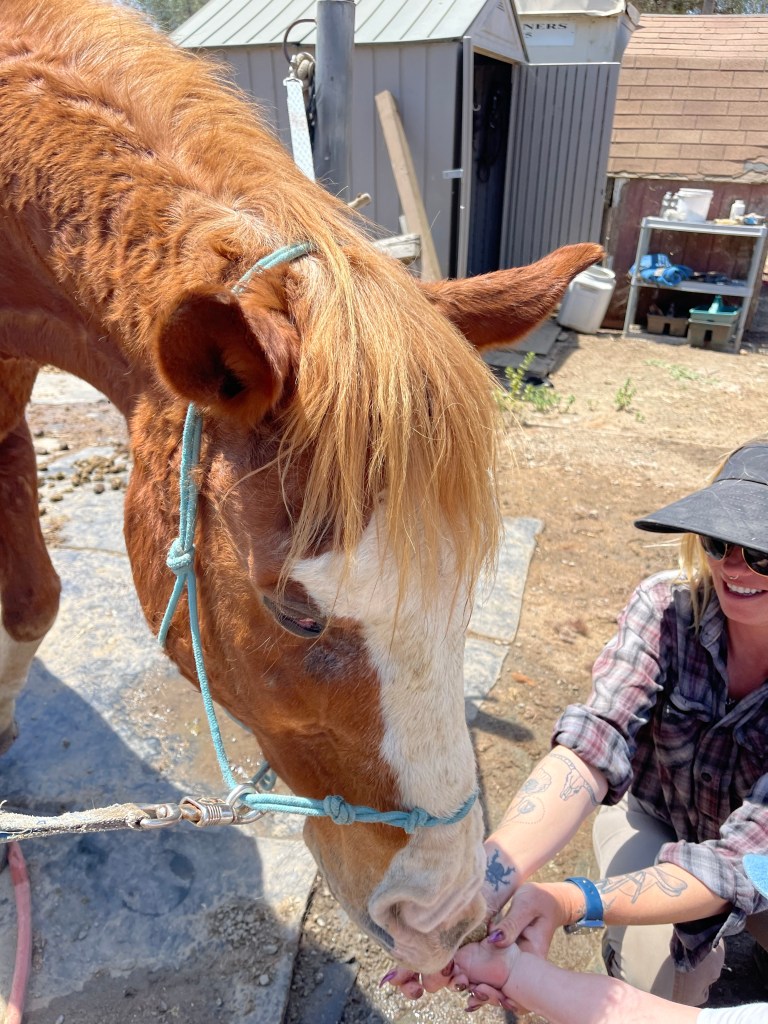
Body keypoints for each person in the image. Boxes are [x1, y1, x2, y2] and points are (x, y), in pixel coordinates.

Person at [386, 440, 768, 1010]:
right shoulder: (666, 609)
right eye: (718, 541)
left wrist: (570, 899)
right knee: (657, 986)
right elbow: (592, 746)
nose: (734, 567)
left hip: (760, 858)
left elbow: (741, 862)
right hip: (660, 820)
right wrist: (474, 895)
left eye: (761, 552)